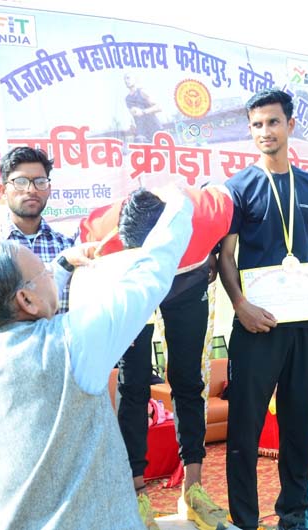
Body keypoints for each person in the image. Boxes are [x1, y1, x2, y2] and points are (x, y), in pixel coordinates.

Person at [0, 189, 193, 529]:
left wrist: (63, 264)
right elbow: (150, 275)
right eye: (43, 273)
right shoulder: (71, 343)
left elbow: (32, 302)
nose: (50, 276)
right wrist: (182, 201)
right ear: (26, 300)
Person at [217, 88, 308, 530]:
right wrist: (241, 305)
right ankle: (245, 521)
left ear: (290, 124)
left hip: (304, 322)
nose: (264, 131)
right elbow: (225, 256)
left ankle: (293, 516)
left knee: (299, 424)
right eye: (256, 124)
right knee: (244, 431)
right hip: (257, 327)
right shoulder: (237, 188)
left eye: (272, 122)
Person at [79, 185, 234, 529]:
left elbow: (230, 204)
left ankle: (192, 491)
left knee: (188, 380)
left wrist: (214, 251)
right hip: (130, 282)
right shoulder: (99, 230)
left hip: (186, 279)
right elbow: (86, 273)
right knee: (133, 382)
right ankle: (135, 495)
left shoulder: (207, 214)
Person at [0, 146, 74, 346]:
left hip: (63, 361)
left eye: (40, 181)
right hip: (3, 364)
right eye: (20, 182)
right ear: (3, 190)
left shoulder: (68, 248)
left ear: (49, 188)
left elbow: (79, 316)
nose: (31, 189)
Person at [125, 73, 163, 142]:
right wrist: (133, 127)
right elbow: (134, 115)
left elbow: (159, 107)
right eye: (125, 79)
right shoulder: (127, 99)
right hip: (143, 134)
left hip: (155, 129)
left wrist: (143, 111)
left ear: (135, 79)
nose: (126, 81)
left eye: (128, 78)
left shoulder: (142, 92)